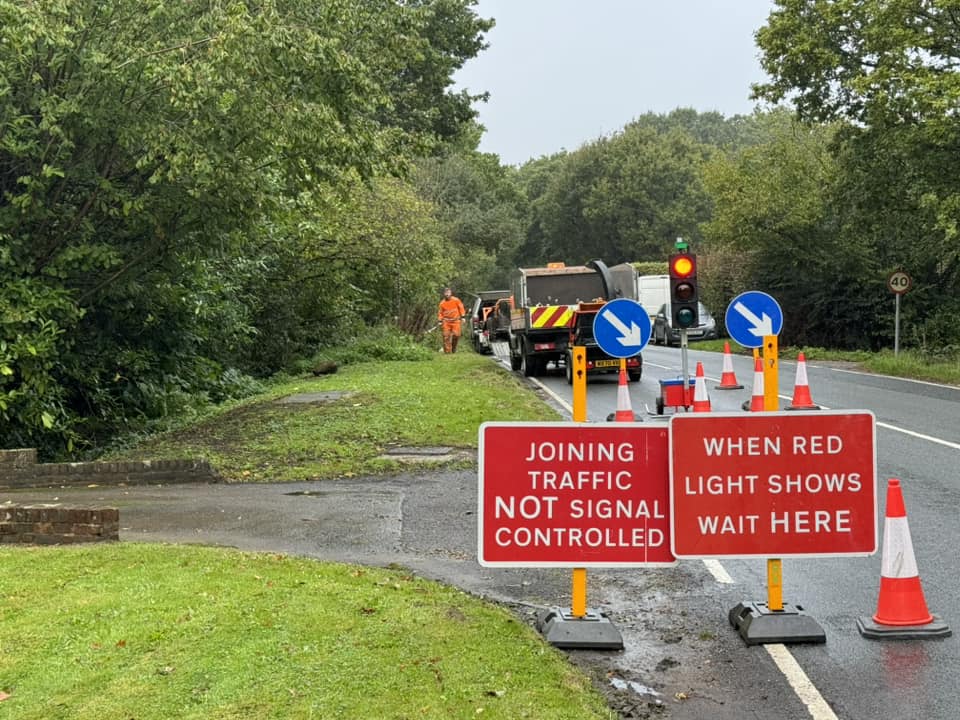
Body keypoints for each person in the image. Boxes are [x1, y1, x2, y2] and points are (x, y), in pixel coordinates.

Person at [437, 286, 466, 353]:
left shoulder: (456, 300)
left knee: (456, 335)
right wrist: (440, 320)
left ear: (451, 293)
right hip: (446, 321)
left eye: (448, 292)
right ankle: (447, 351)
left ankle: (453, 348)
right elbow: (440, 313)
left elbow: (461, 308)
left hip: (456, 320)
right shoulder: (442, 303)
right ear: (444, 294)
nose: (447, 294)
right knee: (446, 336)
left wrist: (463, 317)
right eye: (446, 293)